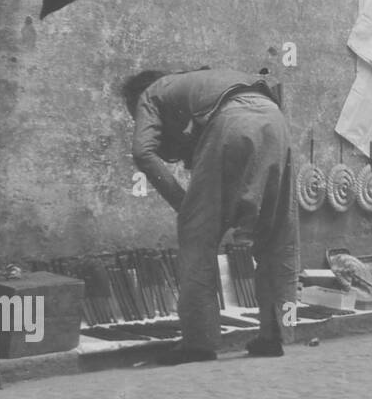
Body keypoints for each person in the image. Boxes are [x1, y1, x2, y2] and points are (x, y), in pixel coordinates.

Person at [123, 67, 299, 364]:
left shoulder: (150, 94)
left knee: (197, 235)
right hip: (276, 121)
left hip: (231, 123)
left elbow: (143, 152)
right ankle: (277, 334)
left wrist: (182, 202)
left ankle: (199, 343)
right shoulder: (199, 81)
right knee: (278, 234)